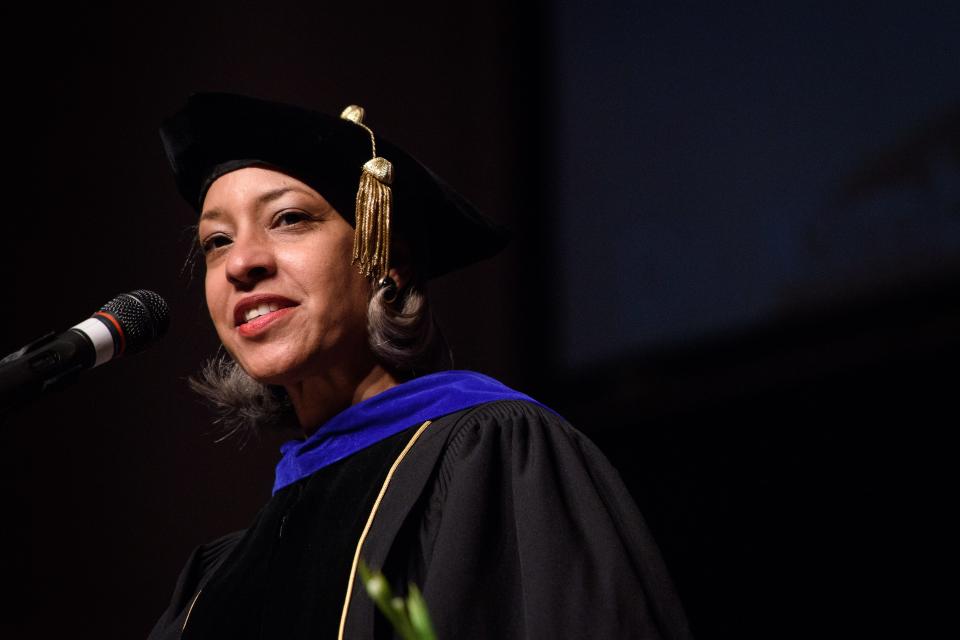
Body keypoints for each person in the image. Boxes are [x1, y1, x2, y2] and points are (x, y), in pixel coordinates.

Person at [148, 92, 692, 640]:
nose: (241, 262)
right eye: (217, 241)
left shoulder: (492, 453)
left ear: (391, 262)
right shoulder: (212, 583)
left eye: (289, 219)